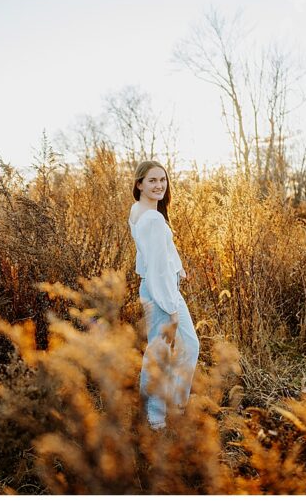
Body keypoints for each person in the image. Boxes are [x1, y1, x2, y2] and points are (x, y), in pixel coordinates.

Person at [129, 160, 201, 430]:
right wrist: (170, 306)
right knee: (163, 351)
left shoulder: (139, 211)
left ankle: (168, 406)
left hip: (156, 286)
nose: (159, 185)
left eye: (162, 180)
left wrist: (178, 267)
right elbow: (157, 267)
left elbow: (152, 253)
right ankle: (158, 415)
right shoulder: (152, 219)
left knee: (176, 347)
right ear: (139, 184)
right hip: (161, 291)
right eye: (152, 181)